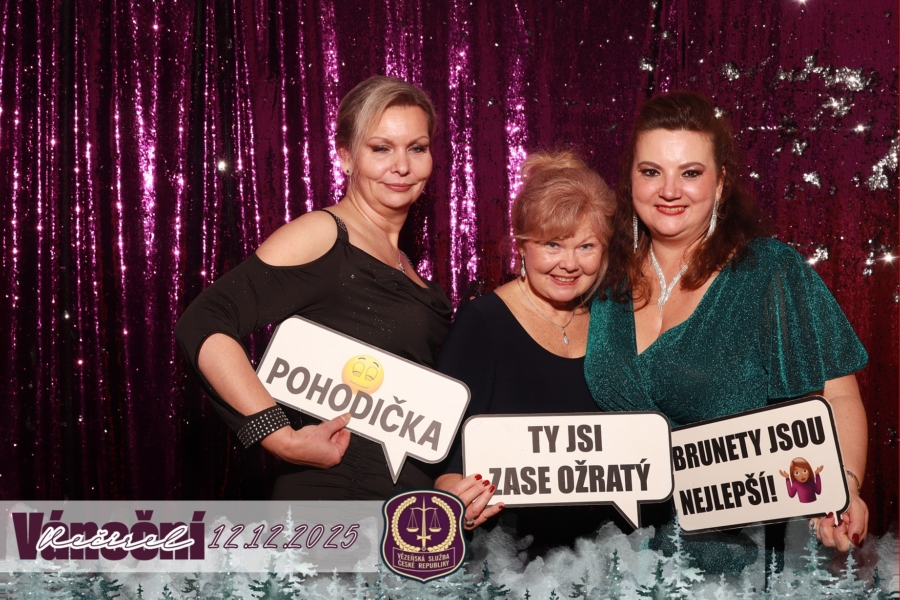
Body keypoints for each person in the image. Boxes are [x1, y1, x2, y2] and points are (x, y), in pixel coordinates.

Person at [584, 91, 868, 569]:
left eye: (690, 173)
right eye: (651, 171)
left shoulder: (768, 272)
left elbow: (837, 395)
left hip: (741, 562)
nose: (669, 190)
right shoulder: (599, 272)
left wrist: (844, 488)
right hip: (612, 558)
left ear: (720, 184)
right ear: (630, 180)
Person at [175, 76, 452, 499]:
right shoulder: (325, 233)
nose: (402, 166)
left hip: (404, 508)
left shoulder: (403, 262)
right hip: (337, 500)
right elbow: (203, 321)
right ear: (346, 157)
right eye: (381, 148)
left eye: (416, 148)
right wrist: (277, 435)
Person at [434, 151, 617, 555]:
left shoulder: (612, 322)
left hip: (606, 556)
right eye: (552, 244)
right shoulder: (482, 323)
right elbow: (443, 458)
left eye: (586, 246)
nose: (569, 264)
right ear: (522, 246)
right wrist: (456, 497)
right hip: (509, 559)